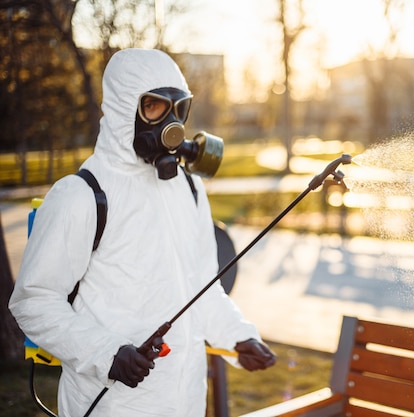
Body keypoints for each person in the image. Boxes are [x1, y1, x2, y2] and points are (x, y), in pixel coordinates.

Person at [9, 48, 276, 417]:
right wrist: (106, 354)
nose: (170, 123)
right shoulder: (82, 194)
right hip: (110, 403)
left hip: (184, 401)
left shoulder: (189, 188)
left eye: (178, 109)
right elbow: (33, 301)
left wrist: (238, 336)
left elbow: (202, 286)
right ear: (123, 110)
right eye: (154, 107)